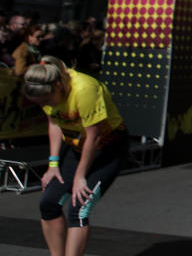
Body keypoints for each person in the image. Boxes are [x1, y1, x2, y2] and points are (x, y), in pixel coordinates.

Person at [23, 55, 128, 256]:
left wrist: (80, 177)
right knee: (48, 204)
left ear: (59, 86)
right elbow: (54, 123)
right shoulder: (44, 86)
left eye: (46, 100)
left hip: (107, 148)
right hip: (76, 146)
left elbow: (94, 136)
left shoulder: (85, 89)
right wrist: (53, 165)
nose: (45, 104)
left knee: (78, 207)